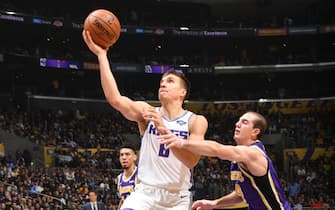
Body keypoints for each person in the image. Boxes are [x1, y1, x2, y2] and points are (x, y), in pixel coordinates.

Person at [82, 30, 208, 210]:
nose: (163, 84)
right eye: (162, 82)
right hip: (145, 193)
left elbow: (192, 161)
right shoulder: (147, 112)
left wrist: (163, 128)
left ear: (183, 92)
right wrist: (102, 56)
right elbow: (115, 99)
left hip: (177, 197)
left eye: (170, 81)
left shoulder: (195, 121)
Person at [159, 111, 292, 210]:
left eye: (244, 122)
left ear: (255, 131)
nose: (237, 124)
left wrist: (181, 143)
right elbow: (241, 195)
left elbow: (217, 150)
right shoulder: (239, 158)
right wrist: (215, 203)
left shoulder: (253, 153)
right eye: (239, 121)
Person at [116, 144, 139, 209]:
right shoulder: (119, 178)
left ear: (135, 157)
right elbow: (123, 200)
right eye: (121, 155)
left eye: (127, 154)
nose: (124, 157)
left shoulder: (141, 175)